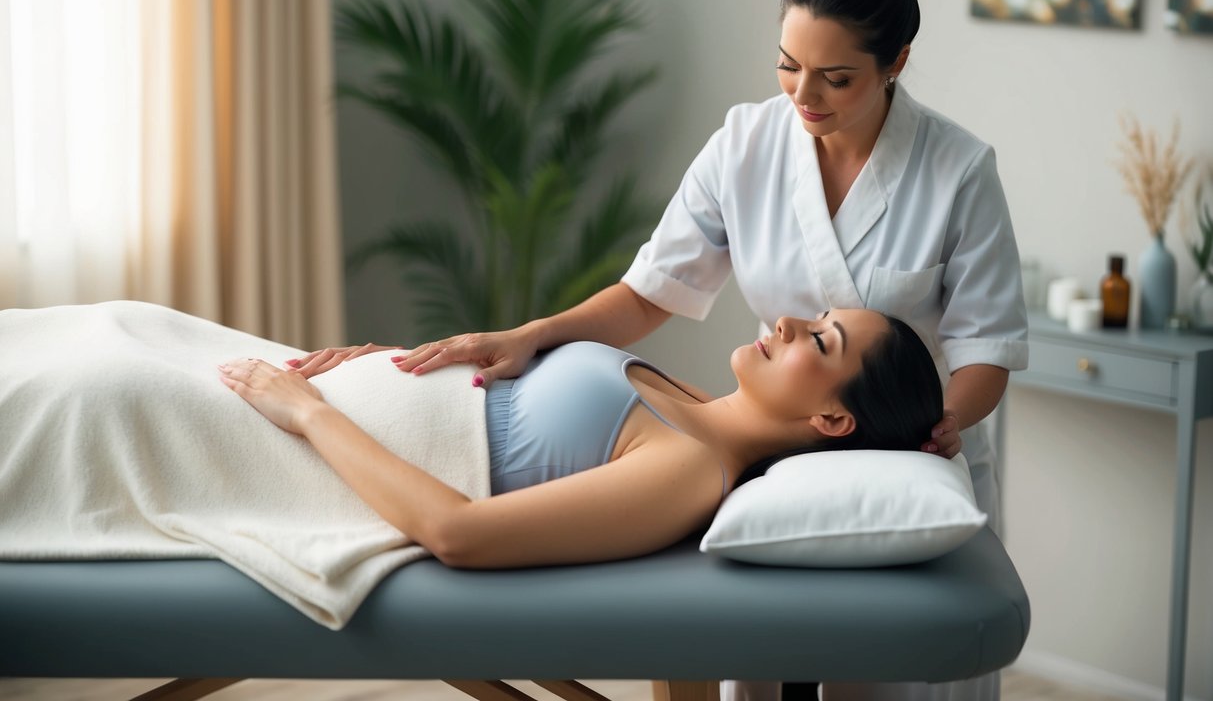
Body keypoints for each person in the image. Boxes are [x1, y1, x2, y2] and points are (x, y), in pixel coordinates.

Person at [298, 0, 1027, 699]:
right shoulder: (747, 143)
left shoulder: (955, 170)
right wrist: (527, 335)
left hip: (902, 445)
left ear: (895, 64)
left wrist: (938, 424)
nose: (802, 96)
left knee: (889, 685)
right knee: (761, 671)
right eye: (787, 66)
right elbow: (649, 295)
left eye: (835, 78)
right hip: (787, 440)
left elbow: (985, 346)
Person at [223, 307, 940, 568]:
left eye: (818, 339)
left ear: (833, 422)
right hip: (290, 391)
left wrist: (310, 414)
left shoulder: (690, 468)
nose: (784, 322)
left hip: (281, 436)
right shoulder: (693, 401)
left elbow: (457, 533)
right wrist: (387, 366)